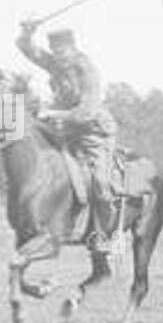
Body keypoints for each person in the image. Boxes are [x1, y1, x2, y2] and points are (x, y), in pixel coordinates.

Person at [16, 20, 119, 248]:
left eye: (62, 52)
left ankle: (108, 236)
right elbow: (28, 49)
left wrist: (53, 113)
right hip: (68, 131)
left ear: (73, 48)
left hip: (95, 134)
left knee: (101, 183)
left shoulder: (87, 70)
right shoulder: (55, 64)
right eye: (54, 52)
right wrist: (27, 31)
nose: (58, 57)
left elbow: (86, 112)